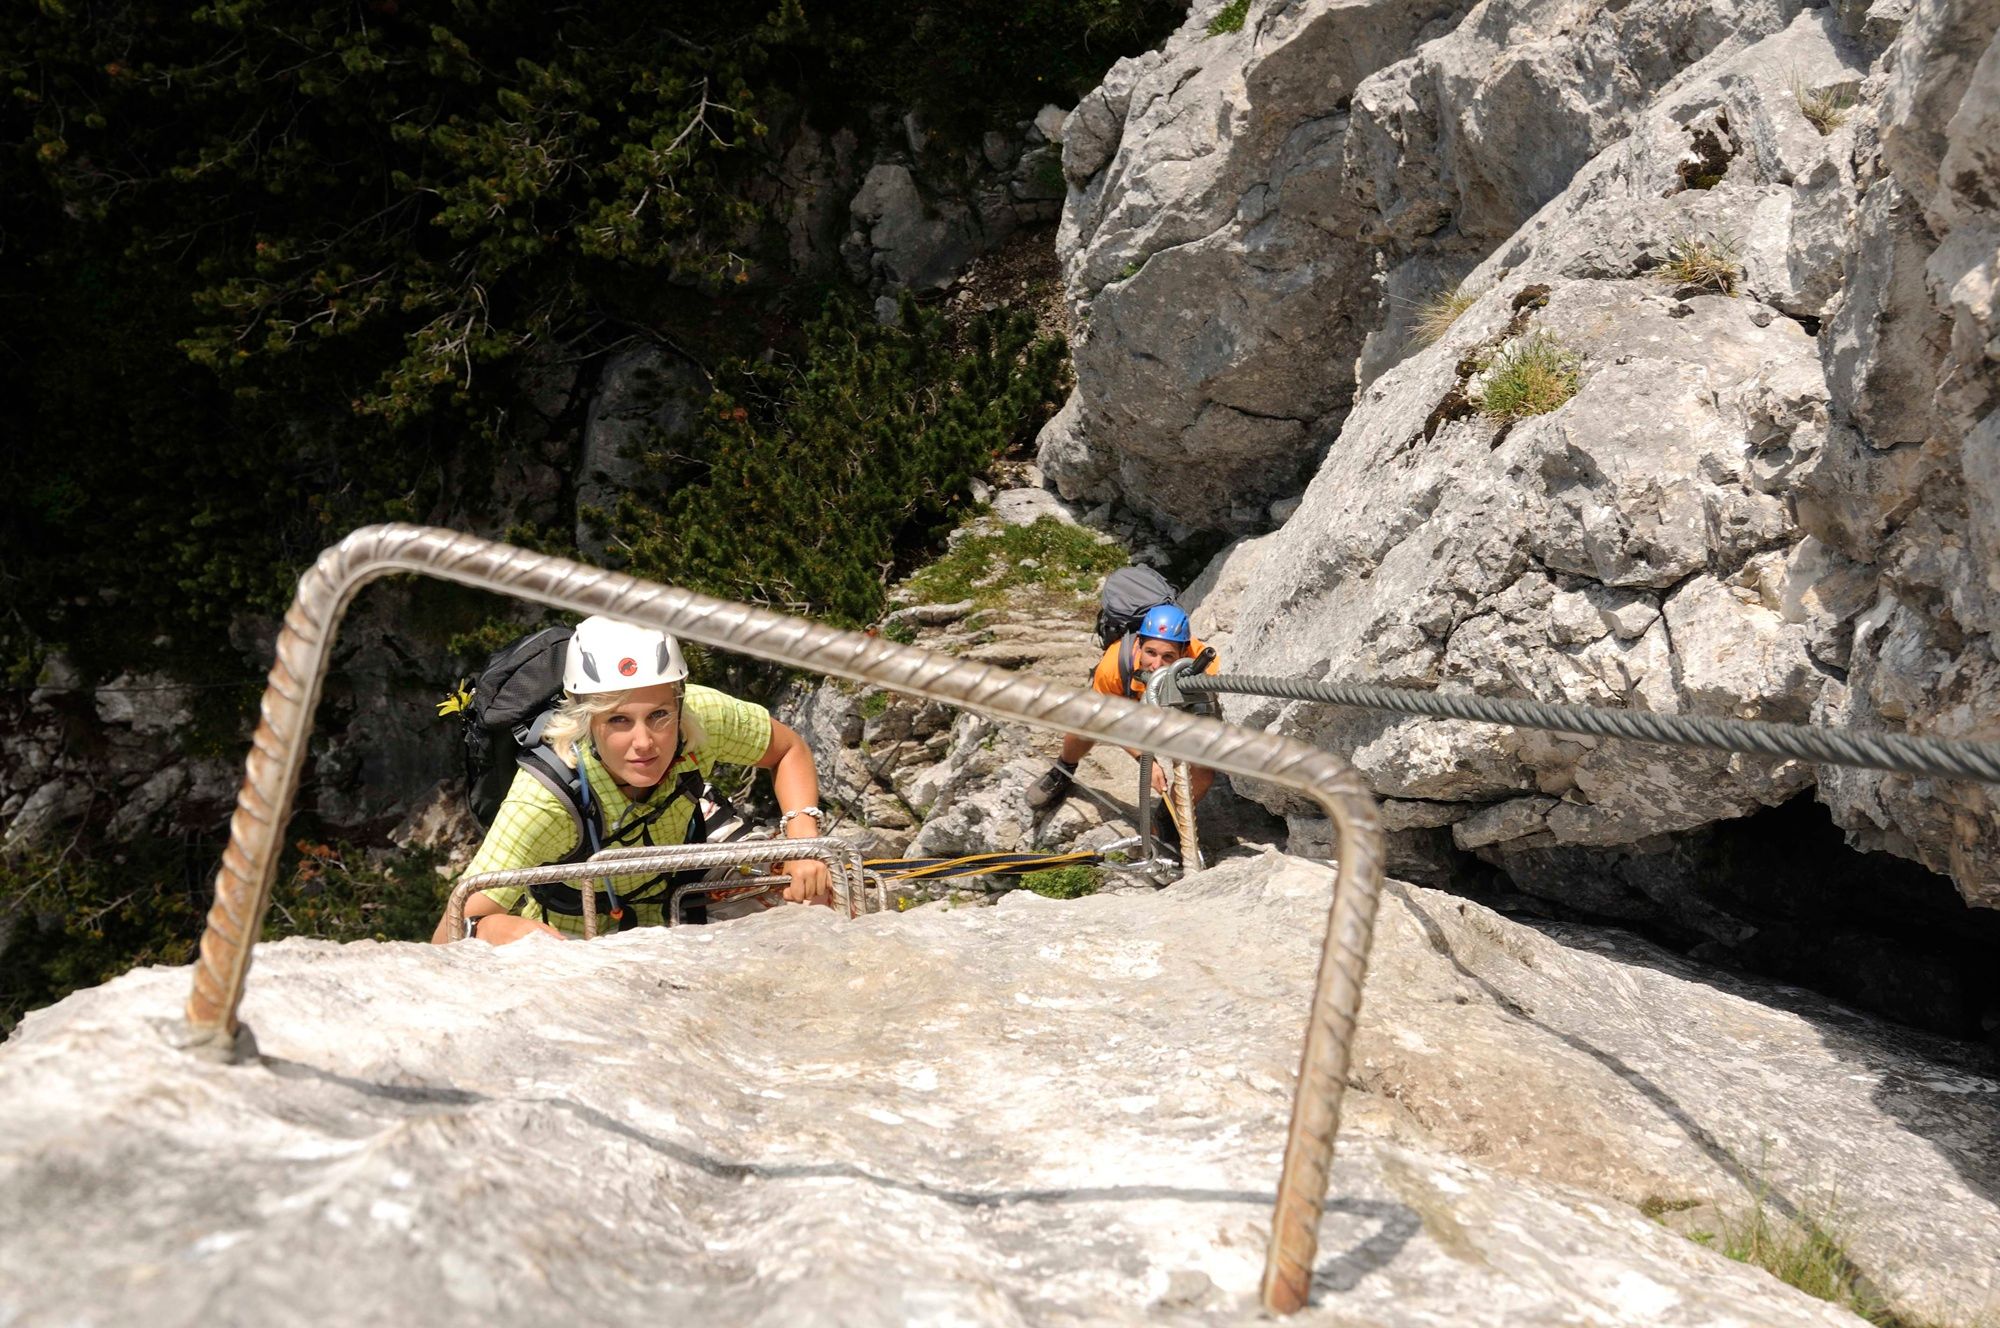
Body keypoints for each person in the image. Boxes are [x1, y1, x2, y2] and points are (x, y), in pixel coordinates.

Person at [431, 615, 833, 945]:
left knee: (814, 892)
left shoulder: (700, 715)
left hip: (684, 881)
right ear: (587, 721)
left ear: (678, 701)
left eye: (659, 715)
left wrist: (803, 841)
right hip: (584, 930)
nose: (644, 743)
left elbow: (786, 750)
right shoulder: (546, 799)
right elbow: (448, 931)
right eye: (618, 720)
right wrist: (497, 928)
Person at [1025, 603, 1220, 813]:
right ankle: (1063, 770)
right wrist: (1146, 761)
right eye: (1151, 653)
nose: (1156, 665)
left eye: (1168, 657)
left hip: (1179, 711)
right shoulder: (1113, 666)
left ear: (1182, 652)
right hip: (1130, 705)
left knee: (1202, 771)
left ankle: (1167, 820)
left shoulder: (1202, 666)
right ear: (1139, 644)